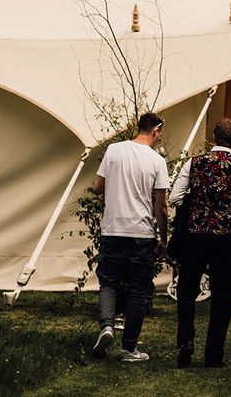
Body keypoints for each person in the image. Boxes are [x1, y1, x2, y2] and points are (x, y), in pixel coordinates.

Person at [170, 119, 231, 368]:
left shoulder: (194, 164)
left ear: (213, 138)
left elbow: (174, 197)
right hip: (226, 237)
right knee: (223, 295)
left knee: (187, 289)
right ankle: (214, 354)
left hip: (195, 235)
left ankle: (186, 341)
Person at [90, 112, 168, 363]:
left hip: (113, 229)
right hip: (141, 233)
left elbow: (97, 186)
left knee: (109, 282)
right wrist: (163, 239)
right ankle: (129, 349)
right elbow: (161, 207)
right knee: (137, 290)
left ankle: (107, 327)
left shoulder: (114, 150)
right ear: (156, 130)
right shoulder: (157, 161)